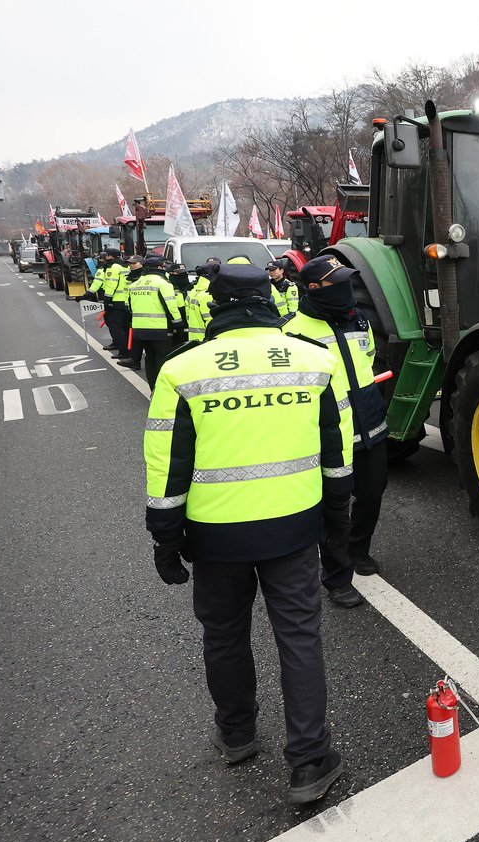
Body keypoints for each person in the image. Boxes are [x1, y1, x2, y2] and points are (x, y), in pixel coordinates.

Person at [144, 262, 352, 805]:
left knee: (225, 635)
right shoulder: (314, 361)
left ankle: (237, 735)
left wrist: (165, 537)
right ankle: (309, 761)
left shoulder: (181, 370)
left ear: (215, 304)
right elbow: (337, 453)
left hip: (216, 539)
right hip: (294, 529)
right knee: (300, 638)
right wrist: (338, 521)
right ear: (269, 298)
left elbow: (167, 463)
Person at [285, 256, 389, 606]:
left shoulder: (359, 320)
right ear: (313, 288)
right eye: (337, 283)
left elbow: (369, 359)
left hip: (370, 424)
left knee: (372, 494)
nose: (347, 290)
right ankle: (337, 578)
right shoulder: (292, 333)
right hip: (328, 435)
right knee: (334, 506)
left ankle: (359, 550)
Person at [123, 255, 185, 387]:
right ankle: (164, 389)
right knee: (163, 358)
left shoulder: (135, 284)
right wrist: (179, 324)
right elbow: (171, 306)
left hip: (139, 329)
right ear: (159, 268)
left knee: (149, 358)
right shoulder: (163, 283)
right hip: (159, 329)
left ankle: (153, 388)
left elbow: (129, 307)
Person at [88, 247, 131, 355]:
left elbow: (112, 284)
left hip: (115, 301)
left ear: (110, 256)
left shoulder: (112, 267)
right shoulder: (125, 266)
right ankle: (127, 348)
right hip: (125, 301)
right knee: (124, 327)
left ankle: (123, 351)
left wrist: (107, 299)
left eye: (106, 254)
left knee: (116, 327)